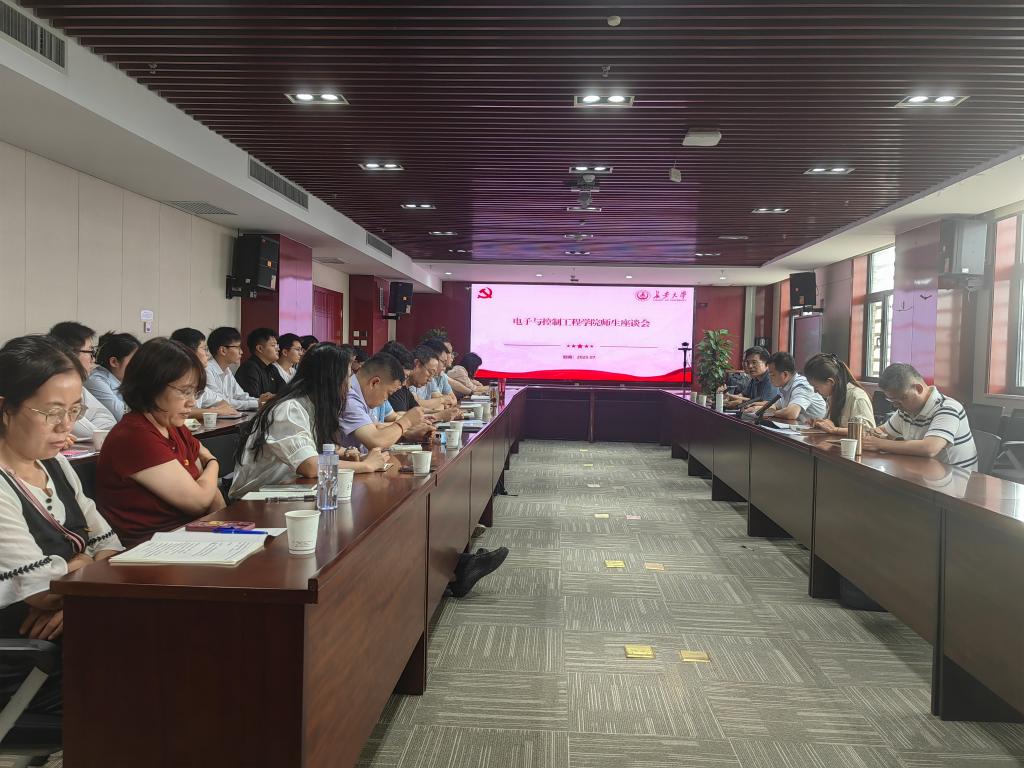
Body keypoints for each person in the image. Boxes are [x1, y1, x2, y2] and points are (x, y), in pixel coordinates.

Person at [0, 336, 124, 716]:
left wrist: (76, 592)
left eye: (74, 410)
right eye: (52, 412)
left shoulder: (54, 464)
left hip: (75, 638)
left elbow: (112, 547)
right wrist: (84, 566)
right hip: (25, 668)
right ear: (4, 409)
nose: (66, 425)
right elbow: (43, 591)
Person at [96, 338, 225, 546]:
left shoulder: (174, 426)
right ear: (152, 386)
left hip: (186, 537)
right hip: (151, 547)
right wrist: (213, 462)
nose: (192, 402)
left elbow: (210, 493)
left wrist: (224, 531)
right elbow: (199, 501)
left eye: (195, 392)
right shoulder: (135, 436)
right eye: (185, 392)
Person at [230, 344, 387, 498]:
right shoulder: (288, 409)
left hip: (288, 491)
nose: (349, 386)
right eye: (346, 377)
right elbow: (310, 465)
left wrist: (347, 454)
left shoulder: (312, 405)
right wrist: (365, 465)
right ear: (329, 380)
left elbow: (319, 448)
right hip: (254, 501)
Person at [862, 363, 978, 471]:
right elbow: (883, 431)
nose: (896, 406)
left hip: (956, 479)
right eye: (892, 401)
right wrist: (872, 435)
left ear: (918, 389)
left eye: (901, 399)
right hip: (924, 473)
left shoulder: (947, 408)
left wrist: (879, 443)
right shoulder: (906, 410)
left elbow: (930, 448)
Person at [339, 353, 426, 451]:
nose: (386, 399)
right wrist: (407, 421)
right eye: (389, 393)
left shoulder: (366, 395)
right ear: (374, 382)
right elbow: (376, 441)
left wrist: (409, 432)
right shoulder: (349, 399)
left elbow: (377, 427)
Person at [47, 322, 116, 443]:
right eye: (90, 352)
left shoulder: (78, 385)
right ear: (70, 354)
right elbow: (97, 434)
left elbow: (108, 421)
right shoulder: (50, 386)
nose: (93, 359)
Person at [169, 327, 240, 418]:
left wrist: (218, 409)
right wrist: (214, 411)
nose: (208, 354)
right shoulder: (173, 377)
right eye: (204, 349)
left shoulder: (196, 377)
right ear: (189, 351)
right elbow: (176, 410)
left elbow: (222, 402)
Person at [803, 353, 876, 434]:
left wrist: (834, 429)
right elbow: (833, 424)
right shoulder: (833, 395)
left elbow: (867, 431)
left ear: (830, 382)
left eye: (816, 387)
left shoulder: (857, 397)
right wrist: (821, 423)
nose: (815, 391)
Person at [745, 351, 827, 421]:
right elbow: (776, 406)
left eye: (772, 375)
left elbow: (791, 413)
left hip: (816, 431)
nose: (769, 378)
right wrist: (757, 409)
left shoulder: (802, 385)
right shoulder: (785, 386)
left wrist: (766, 413)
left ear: (785, 374)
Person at [83, 331, 140, 422]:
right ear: (114, 362)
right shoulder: (95, 380)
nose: (139, 365)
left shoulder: (124, 379)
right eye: (134, 360)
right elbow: (122, 416)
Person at [204, 327, 263, 411]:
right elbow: (219, 402)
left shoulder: (227, 370)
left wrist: (261, 401)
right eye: (237, 347)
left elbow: (240, 396)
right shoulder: (207, 370)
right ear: (223, 350)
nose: (241, 352)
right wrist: (257, 403)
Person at [234, 327, 281, 399]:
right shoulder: (249, 368)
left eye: (277, 345)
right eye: (273, 345)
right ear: (260, 348)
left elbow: (285, 391)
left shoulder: (272, 368)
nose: (278, 349)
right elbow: (253, 399)